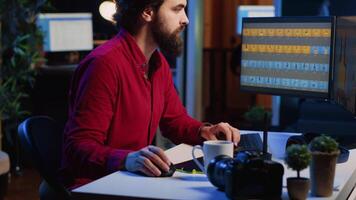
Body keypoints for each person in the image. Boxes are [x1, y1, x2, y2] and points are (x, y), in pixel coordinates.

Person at [60, 0, 240, 189]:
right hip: (95, 186)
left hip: (131, 181)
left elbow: (175, 121)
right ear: (147, 12)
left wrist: (204, 132)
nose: (185, 20)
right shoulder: (104, 65)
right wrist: (127, 159)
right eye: (177, 9)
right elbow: (78, 147)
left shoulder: (157, 63)